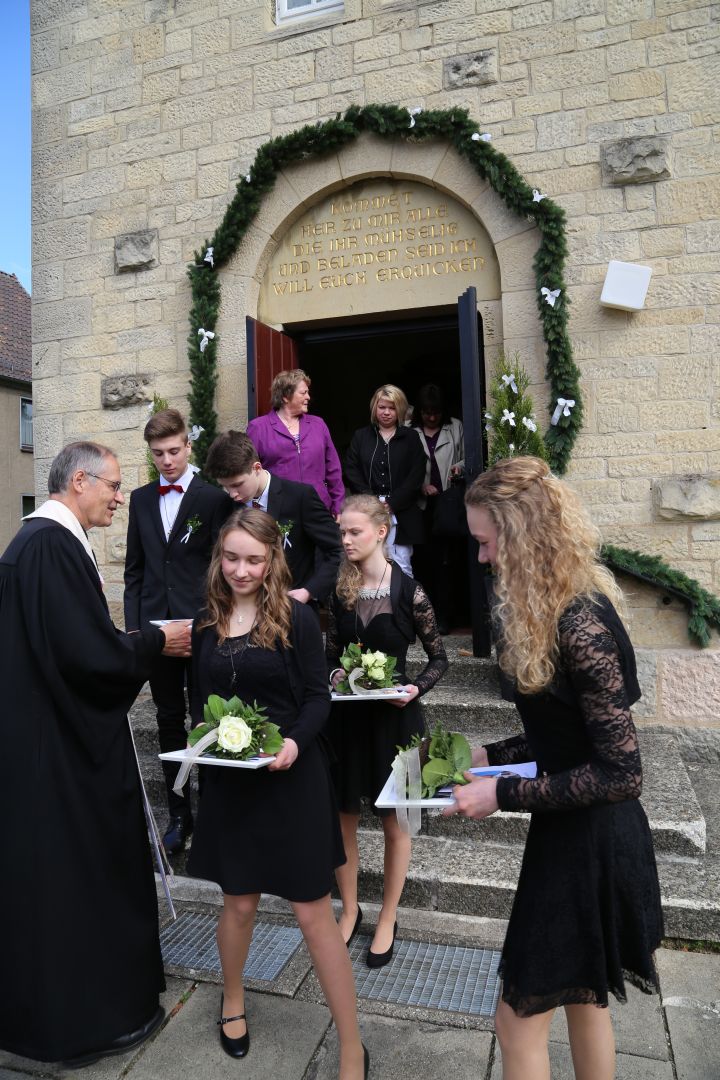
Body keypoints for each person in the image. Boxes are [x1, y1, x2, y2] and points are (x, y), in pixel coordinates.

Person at [446, 456, 663, 1080]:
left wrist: (500, 795)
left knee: (516, 1022)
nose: (481, 559)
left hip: (591, 844)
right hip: (571, 833)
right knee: (583, 998)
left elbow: (622, 772)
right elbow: (560, 732)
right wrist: (489, 756)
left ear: (520, 536)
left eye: (486, 544)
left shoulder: (582, 623)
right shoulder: (554, 608)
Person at [0, 441, 192, 1066]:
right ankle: (92, 1022)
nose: (119, 496)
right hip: (61, 753)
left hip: (41, 741)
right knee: (78, 877)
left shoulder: (36, 544)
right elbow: (88, 658)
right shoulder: (51, 547)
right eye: (112, 485)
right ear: (79, 481)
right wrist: (155, 641)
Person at [186, 509, 368, 1079]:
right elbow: (199, 704)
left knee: (314, 912)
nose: (242, 570)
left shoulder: (296, 617)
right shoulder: (205, 623)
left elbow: (319, 699)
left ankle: (351, 1046)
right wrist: (205, 745)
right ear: (220, 557)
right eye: (232, 558)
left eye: (254, 560)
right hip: (232, 785)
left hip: (292, 780)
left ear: (272, 562)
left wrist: (291, 744)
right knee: (238, 902)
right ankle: (233, 1000)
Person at [326, 494, 448, 964]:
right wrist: (337, 675)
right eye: (341, 532)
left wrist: (415, 689)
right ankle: (350, 909)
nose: (345, 539)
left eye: (353, 531)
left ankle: (388, 916)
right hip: (349, 721)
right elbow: (332, 651)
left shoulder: (410, 592)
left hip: (397, 721)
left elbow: (439, 657)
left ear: (381, 532)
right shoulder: (341, 590)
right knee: (345, 819)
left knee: (396, 823)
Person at [124, 408, 230, 855]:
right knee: (168, 720)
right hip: (156, 633)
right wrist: (136, 631)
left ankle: (215, 815)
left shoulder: (211, 499)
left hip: (203, 627)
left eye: (173, 451)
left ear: (188, 446)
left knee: (206, 719)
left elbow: (222, 567)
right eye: (158, 454)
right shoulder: (141, 499)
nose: (166, 460)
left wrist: (210, 620)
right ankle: (178, 813)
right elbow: (135, 571)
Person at [205, 429, 342, 606]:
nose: (232, 494)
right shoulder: (225, 506)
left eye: (237, 485)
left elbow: (337, 549)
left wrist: (309, 591)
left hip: (293, 608)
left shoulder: (300, 497)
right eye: (225, 487)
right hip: (241, 610)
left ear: (256, 468)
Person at [344, 384, 426, 576]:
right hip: (367, 510)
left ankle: (402, 606)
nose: (387, 412)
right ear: (375, 408)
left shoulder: (411, 437)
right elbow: (351, 469)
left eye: (392, 408)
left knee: (401, 565)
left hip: (401, 512)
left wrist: (392, 503)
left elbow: (417, 474)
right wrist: (372, 501)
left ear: (400, 410)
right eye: (382, 407)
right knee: (367, 565)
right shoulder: (361, 436)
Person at [246, 368, 345, 517]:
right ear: (286, 396)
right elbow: (250, 471)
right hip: (279, 511)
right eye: (303, 393)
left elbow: (333, 469)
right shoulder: (258, 428)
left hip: (318, 508)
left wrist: (338, 506)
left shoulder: (318, 424)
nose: (308, 397)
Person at [410, 383, 465, 633]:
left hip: (447, 504)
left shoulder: (456, 427)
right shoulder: (409, 431)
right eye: (426, 412)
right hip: (420, 507)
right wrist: (420, 485)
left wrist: (459, 468)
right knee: (422, 562)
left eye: (436, 412)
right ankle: (424, 617)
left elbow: (467, 456)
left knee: (448, 562)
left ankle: (446, 616)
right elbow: (404, 465)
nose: (431, 417)